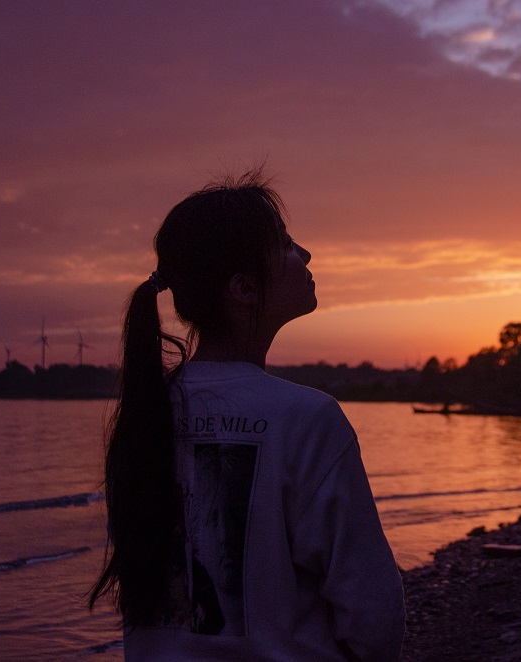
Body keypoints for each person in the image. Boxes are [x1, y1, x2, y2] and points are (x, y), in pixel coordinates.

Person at [88, 170, 405, 661]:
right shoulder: (307, 419)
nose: (305, 255)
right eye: (285, 244)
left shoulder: (142, 420)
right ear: (244, 288)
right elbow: (372, 611)